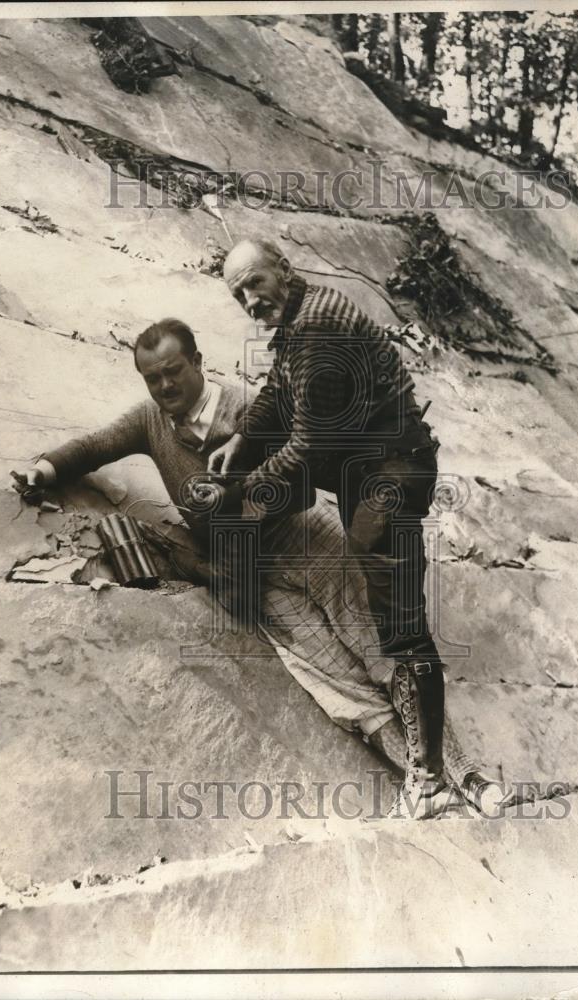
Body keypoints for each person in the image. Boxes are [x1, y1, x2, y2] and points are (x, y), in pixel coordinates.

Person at [13, 317, 502, 815]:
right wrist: (46, 468)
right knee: (340, 686)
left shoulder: (250, 410)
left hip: (307, 539)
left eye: (174, 371)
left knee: (385, 653)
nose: (166, 386)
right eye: (153, 378)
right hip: (254, 577)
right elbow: (96, 446)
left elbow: (306, 482)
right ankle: (428, 792)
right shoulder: (149, 420)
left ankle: (467, 776)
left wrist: (237, 500)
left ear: (198, 363)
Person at [208, 239, 454, 812]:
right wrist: (243, 439)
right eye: (238, 293)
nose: (249, 299)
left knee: (401, 625)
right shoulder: (303, 316)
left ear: (284, 271)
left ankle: (429, 781)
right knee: (391, 616)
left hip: (387, 474)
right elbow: (278, 391)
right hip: (370, 472)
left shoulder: (317, 327)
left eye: (255, 283)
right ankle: (430, 772)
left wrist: (243, 490)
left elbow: (311, 443)